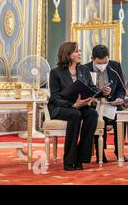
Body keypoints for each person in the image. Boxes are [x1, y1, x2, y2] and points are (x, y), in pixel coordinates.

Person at [48, 42, 99, 171]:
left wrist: (102, 92)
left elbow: (92, 88)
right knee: (75, 114)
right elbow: (54, 98)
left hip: (80, 106)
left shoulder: (84, 70)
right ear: (68, 54)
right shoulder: (55, 73)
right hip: (61, 108)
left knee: (93, 114)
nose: (80, 53)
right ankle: (69, 160)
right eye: (76, 51)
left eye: (79, 50)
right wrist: (73, 105)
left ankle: (80, 157)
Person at [84, 44, 127, 163]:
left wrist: (120, 98)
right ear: (92, 58)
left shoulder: (115, 66)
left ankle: (119, 150)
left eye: (105, 62)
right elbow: (85, 91)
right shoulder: (85, 68)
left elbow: (121, 87)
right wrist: (99, 94)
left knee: (121, 114)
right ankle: (100, 152)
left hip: (112, 103)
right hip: (95, 104)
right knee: (94, 116)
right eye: (99, 63)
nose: (103, 65)